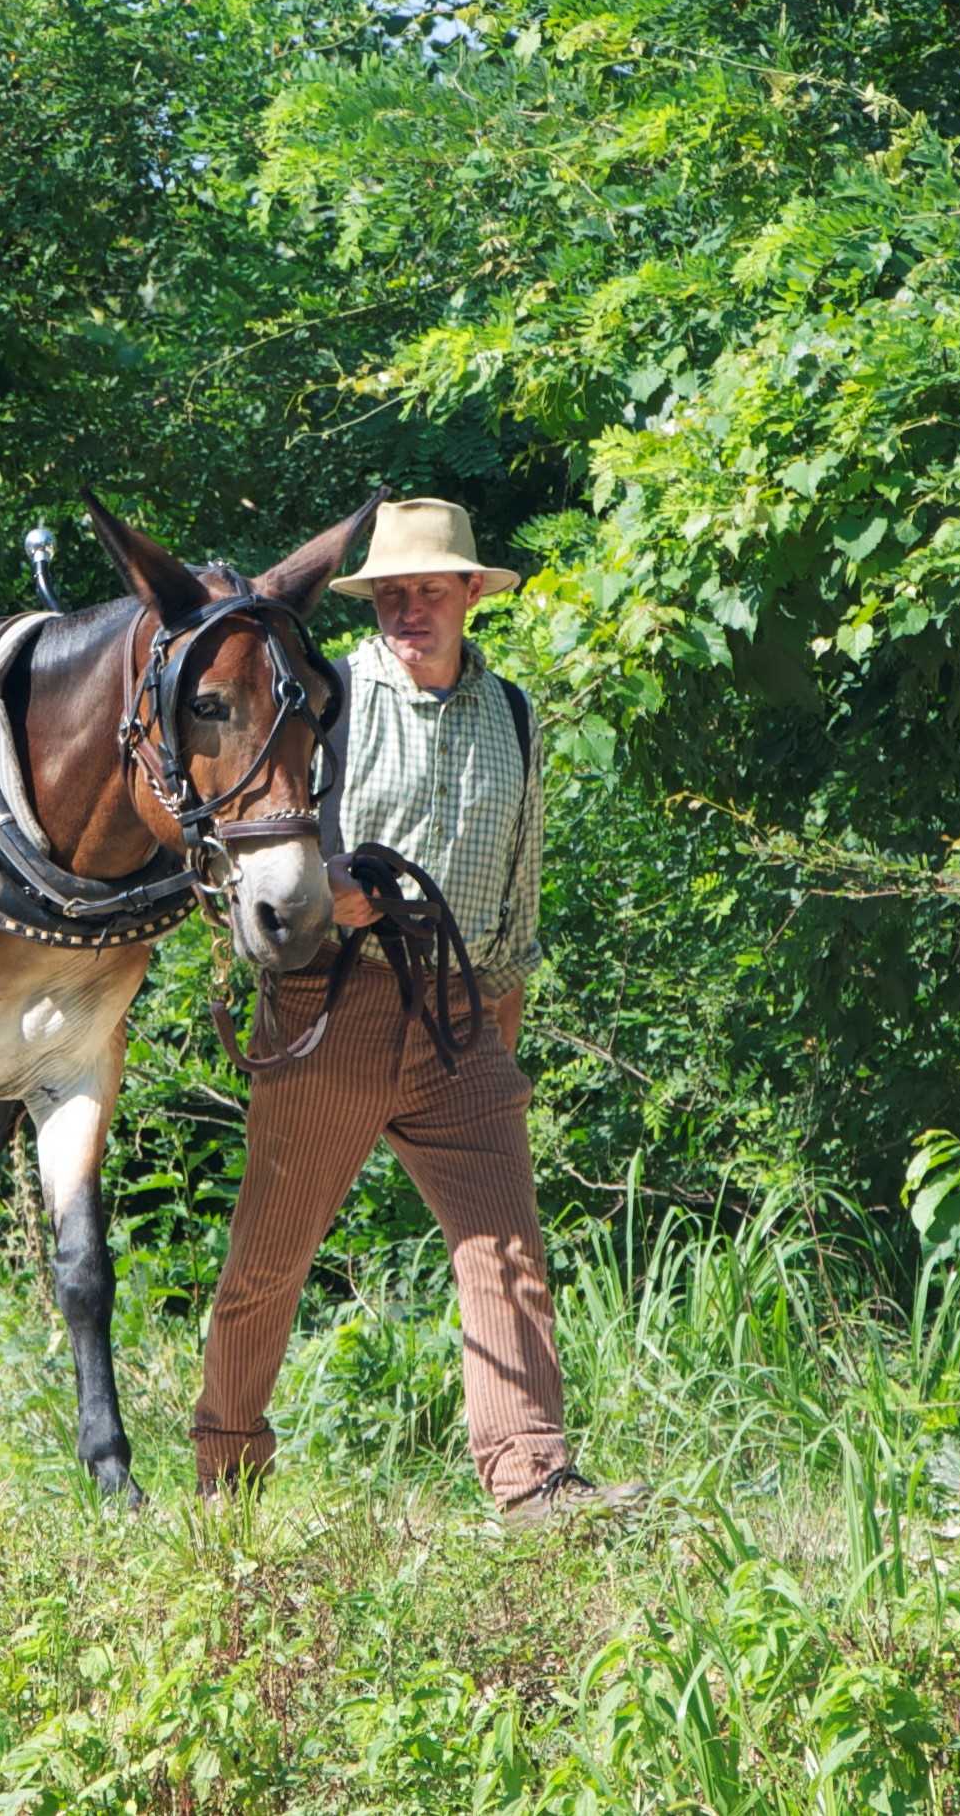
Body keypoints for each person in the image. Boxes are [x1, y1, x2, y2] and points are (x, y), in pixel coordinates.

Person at [190, 498, 627, 1518]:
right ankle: (226, 1471)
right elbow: (235, 848)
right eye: (390, 592)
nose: (407, 608)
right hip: (332, 1005)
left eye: (429, 589)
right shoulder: (326, 697)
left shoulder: (514, 712)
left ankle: (531, 1480)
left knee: (509, 1250)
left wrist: (497, 1032)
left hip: (462, 1015)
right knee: (270, 1258)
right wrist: (323, 905)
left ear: (473, 592)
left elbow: (521, 886)